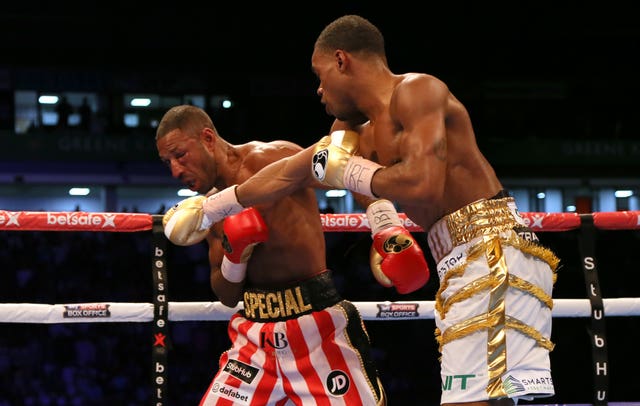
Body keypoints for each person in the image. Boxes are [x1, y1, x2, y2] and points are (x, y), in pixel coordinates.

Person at [165, 15, 561, 405]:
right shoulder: (355, 130)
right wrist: (210, 209)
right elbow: (288, 174)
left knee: (469, 400)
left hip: (491, 250)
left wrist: (350, 170)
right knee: (493, 397)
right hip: (464, 260)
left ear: (342, 61)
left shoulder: (418, 90)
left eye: (320, 76)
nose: (318, 90)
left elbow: (423, 182)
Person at [156, 104, 387, 405]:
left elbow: (343, 168)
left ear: (208, 139)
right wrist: (234, 255)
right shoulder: (208, 210)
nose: (175, 170)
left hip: (315, 329)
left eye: (180, 155)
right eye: (167, 162)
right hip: (254, 341)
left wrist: (384, 225)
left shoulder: (272, 157)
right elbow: (225, 294)